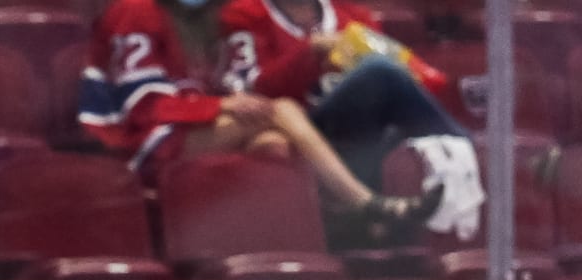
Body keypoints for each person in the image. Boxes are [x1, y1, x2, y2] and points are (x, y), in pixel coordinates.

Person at [78, 0, 441, 233]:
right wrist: (218, 107)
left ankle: (285, 249)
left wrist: (220, 105)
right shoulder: (133, 9)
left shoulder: (206, 19)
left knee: (274, 143)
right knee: (283, 110)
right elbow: (141, 106)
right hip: (143, 140)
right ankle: (365, 205)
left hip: (195, 126)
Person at [217, 0, 481, 239]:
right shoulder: (247, 13)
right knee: (378, 72)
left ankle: (376, 223)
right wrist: (310, 52)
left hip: (365, 132)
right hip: (302, 127)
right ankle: (472, 148)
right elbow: (248, 93)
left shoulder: (354, 15)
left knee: (385, 84)